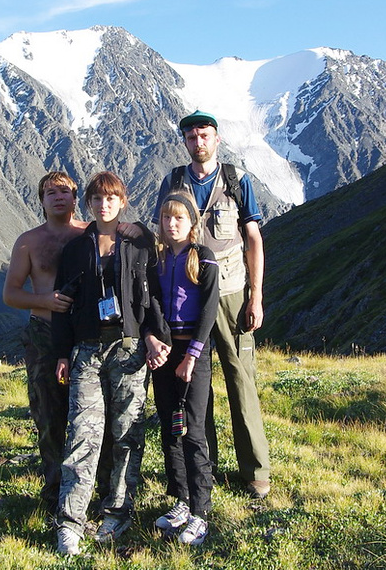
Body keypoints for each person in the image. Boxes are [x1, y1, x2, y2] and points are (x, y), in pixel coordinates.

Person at [152, 110, 271, 499]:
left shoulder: (236, 181)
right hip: (187, 301)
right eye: (191, 137)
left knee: (240, 380)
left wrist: (256, 295)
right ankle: (205, 467)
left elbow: (253, 239)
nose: (198, 142)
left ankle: (256, 472)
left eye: (204, 135)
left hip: (231, 293)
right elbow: (161, 234)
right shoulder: (174, 182)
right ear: (185, 142)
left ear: (217, 139)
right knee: (193, 385)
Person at [52, 171, 170, 556]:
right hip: (86, 350)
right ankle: (70, 522)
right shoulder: (75, 249)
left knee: (126, 434)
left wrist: (156, 335)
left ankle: (118, 513)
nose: (104, 205)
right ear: (88, 203)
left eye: (111, 198)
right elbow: (62, 305)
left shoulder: (139, 242)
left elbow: (153, 295)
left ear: (123, 201)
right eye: (97, 198)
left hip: (128, 349)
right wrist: (62, 352)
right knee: (82, 435)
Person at [2, 172, 87, 514]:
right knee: (49, 416)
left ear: (75, 197)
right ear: (41, 201)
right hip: (44, 335)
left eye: (65, 191)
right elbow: (11, 294)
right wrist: (45, 300)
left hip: (86, 335)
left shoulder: (91, 234)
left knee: (90, 414)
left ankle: (91, 488)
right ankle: (54, 492)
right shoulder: (29, 242)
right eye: (50, 192)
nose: (58, 197)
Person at [148, 191, 219, 546]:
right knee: (170, 426)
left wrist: (192, 356)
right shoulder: (156, 260)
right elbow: (150, 302)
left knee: (193, 429)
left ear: (192, 223)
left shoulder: (203, 257)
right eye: (166, 217)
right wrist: (154, 340)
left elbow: (209, 309)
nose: (171, 224)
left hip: (194, 352)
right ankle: (181, 498)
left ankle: (200, 511)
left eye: (179, 218)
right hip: (165, 351)